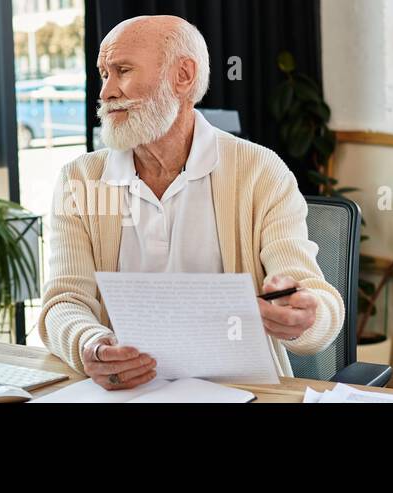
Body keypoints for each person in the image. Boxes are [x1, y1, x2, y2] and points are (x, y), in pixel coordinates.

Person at [38, 15, 344, 390]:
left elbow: (314, 297)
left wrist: (303, 316)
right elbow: (64, 301)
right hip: (125, 390)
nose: (106, 92)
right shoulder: (80, 179)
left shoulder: (260, 171)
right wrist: (91, 344)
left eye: (123, 71)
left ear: (183, 76)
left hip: (241, 390)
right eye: (104, 74)